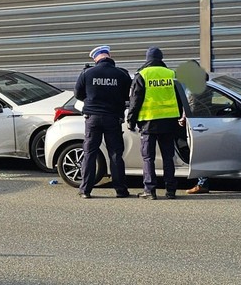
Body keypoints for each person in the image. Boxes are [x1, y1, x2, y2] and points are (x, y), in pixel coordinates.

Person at [126, 47, 187, 200]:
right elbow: (181, 97)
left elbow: (135, 100)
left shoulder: (143, 75)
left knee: (148, 158)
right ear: (161, 58)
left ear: (147, 59)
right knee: (168, 157)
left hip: (149, 122)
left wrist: (131, 121)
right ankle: (171, 190)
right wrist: (180, 115)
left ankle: (150, 190)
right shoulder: (171, 74)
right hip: (169, 122)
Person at [74, 45, 131, 199]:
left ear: (95, 59)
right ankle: (121, 191)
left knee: (90, 153)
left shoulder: (87, 73)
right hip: (113, 118)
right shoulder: (122, 74)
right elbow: (128, 95)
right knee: (115, 154)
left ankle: (85, 190)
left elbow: (78, 94)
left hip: (92, 118)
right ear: (109, 56)